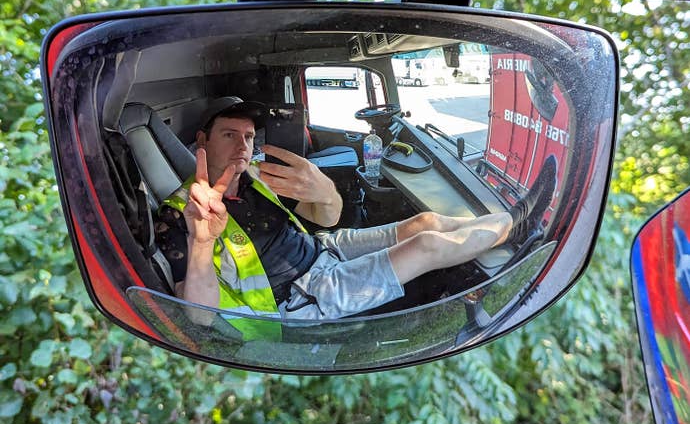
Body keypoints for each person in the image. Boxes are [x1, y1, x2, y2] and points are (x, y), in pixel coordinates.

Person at [155, 97, 557, 329]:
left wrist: (324, 188)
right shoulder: (180, 216)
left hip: (322, 247)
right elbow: (198, 316)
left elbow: (329, 216)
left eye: (248, 137)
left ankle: (506, 225)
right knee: (426, 246)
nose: (243, 146)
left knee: (426, 223)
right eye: (229, 135)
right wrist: (202, 241)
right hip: (300, 295)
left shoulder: (258, 176)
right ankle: (518, 224)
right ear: (202, 140)